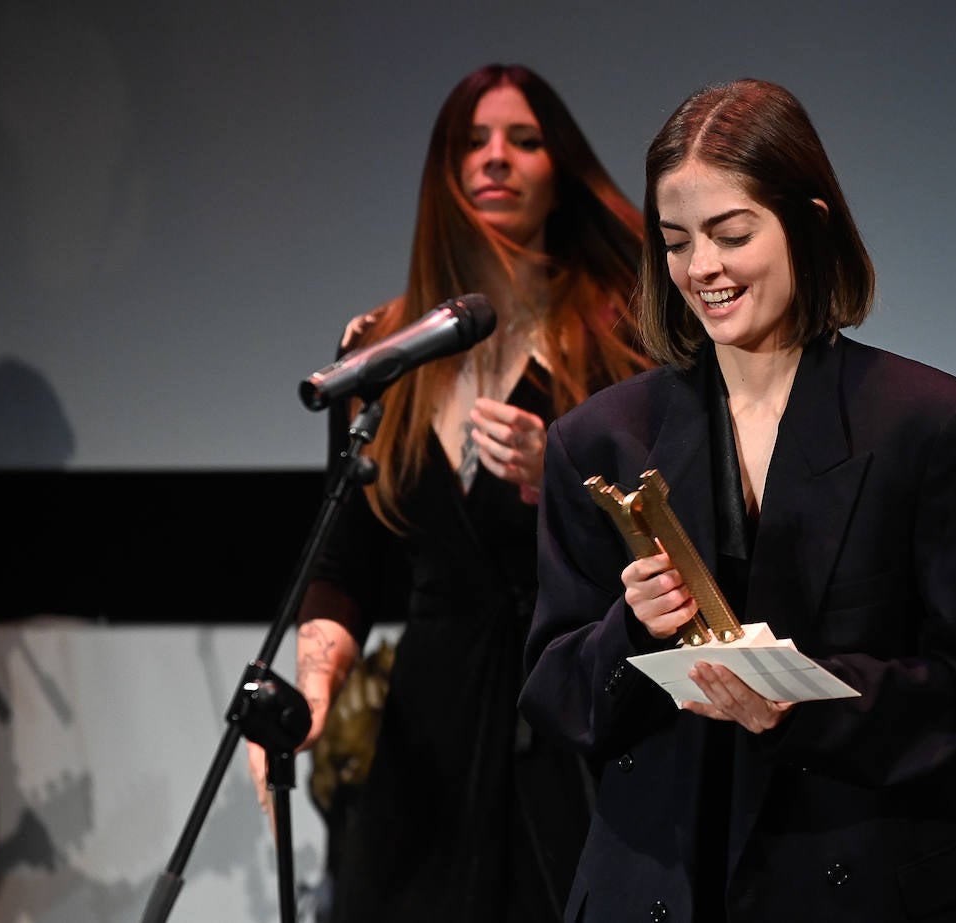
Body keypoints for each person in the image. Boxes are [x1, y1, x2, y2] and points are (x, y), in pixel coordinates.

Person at [518, 78, 956, 922]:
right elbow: (554, 692)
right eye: (677, 241)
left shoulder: (935, 427)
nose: (703, 268)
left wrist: (809, 698)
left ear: (811, 221)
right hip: (652, 891)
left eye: (731, 233)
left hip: (860, 890)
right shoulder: (599, 438)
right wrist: (629, 628)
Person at [248, 64, 649, 922]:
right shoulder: (384, 348)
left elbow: (675, 540)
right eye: (473, 142)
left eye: (524, 140)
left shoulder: (620, 339)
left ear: (558, 170)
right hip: (429, 725)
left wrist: (565, 481)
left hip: (570, 711)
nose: (495, 159)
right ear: (442, 171)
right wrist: (311, 690)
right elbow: (346, 555)